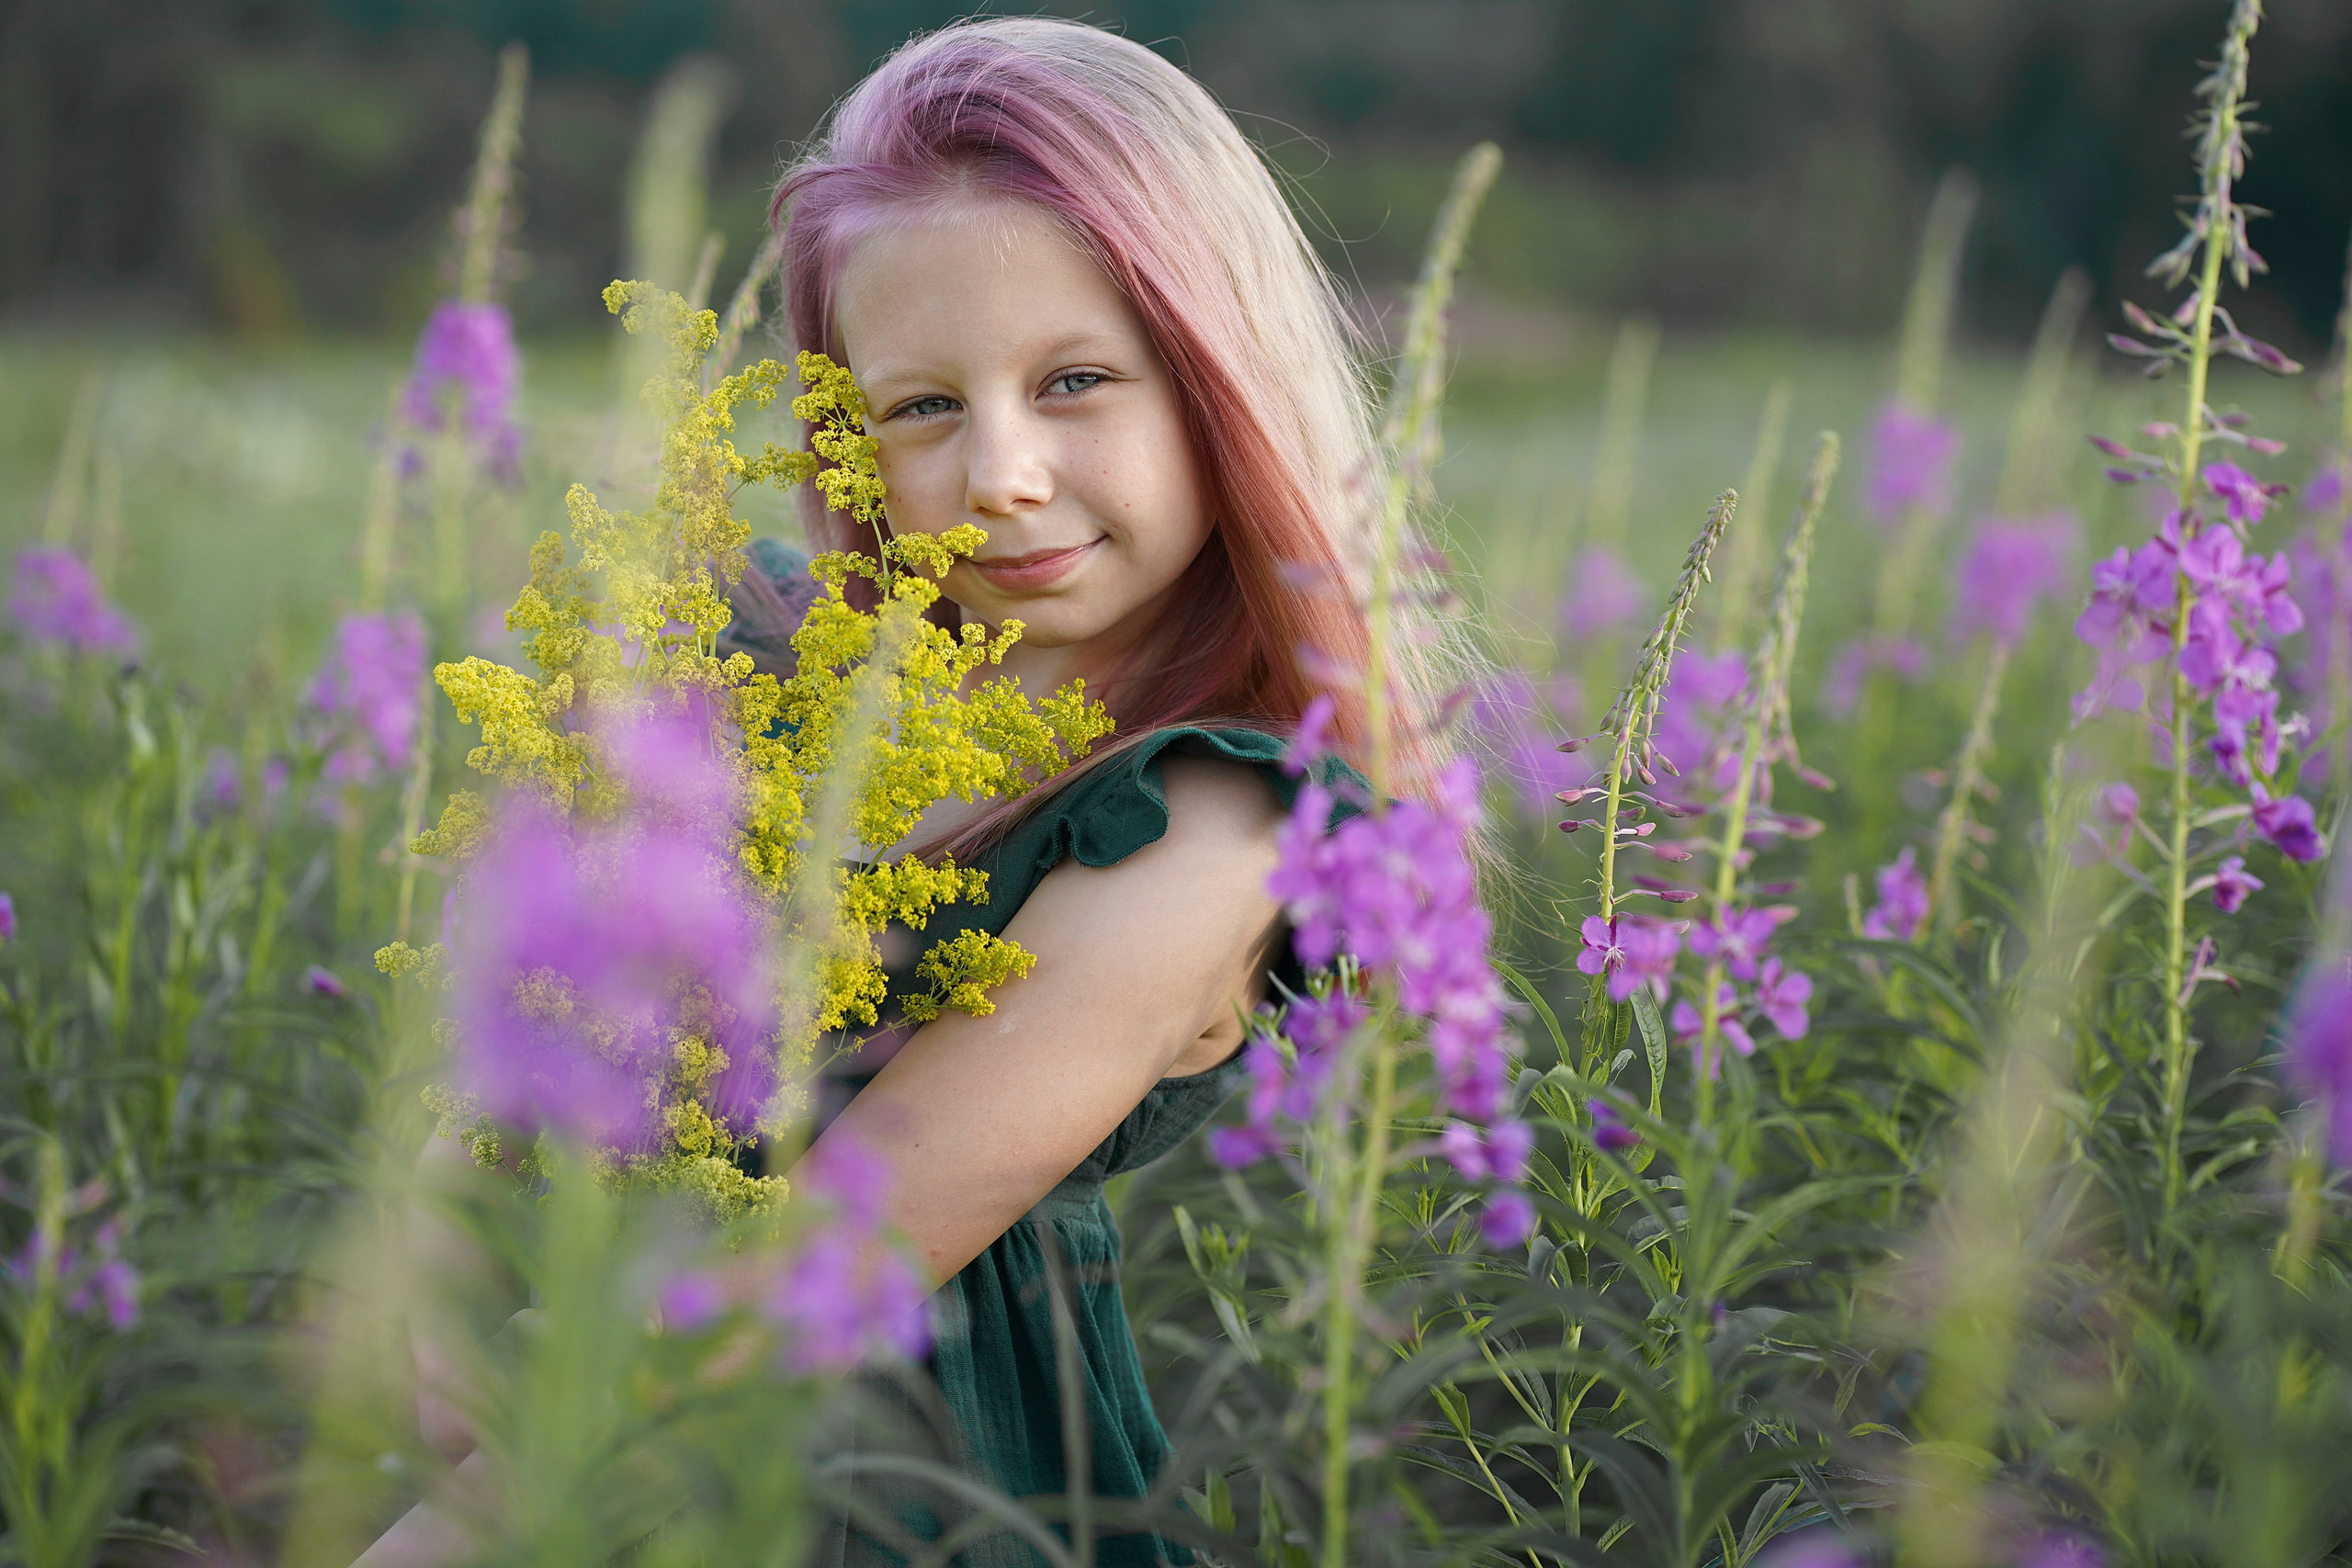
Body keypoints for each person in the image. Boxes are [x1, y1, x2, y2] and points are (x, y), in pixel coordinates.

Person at [359, 17, 1452, 1566]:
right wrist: (442, 1274)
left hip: (892, 1490)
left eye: (1076, 381)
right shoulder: (770, 667)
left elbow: (826, 1266)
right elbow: (527, 1033)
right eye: (922, 407)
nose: (1000, 476)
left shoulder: (1212, 826)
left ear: (1224, 381)